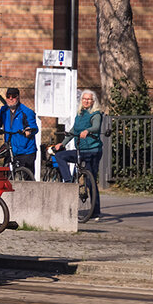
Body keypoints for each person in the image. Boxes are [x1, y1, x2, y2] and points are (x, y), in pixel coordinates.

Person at [52, 89, 104, 220]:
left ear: (93, 101)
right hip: (80, 149)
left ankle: (95, 212)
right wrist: (62, 144)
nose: (86, 101)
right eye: (84, 99)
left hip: (93, 151)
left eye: (89, 99)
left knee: (90, 181)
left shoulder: (95, 114)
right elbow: (74, 130)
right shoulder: (80, 114)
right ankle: (69, 182)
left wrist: (88, 130)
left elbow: (96, 126)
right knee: (60, 155)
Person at [0, 87, 38, 176]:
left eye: (13, 96)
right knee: (6, 176)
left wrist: (29, 131)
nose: (11, 99)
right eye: (8, 96)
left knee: (27, 180)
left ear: (18, 97)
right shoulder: (3, 111)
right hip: (11, 149)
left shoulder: (26, 111)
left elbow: (34, 127)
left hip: (26, 151)